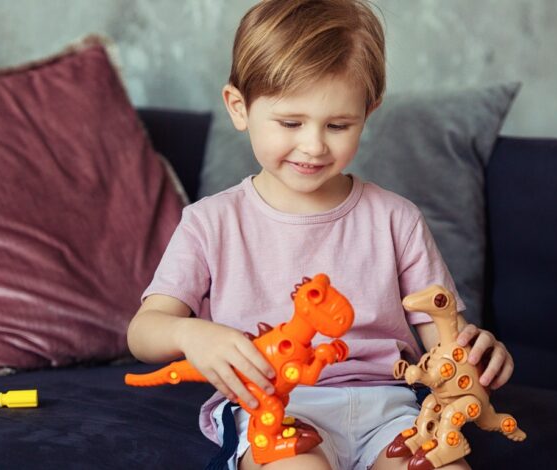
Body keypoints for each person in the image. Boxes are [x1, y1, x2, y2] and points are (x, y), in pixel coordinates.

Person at [127, 1, 514, 469]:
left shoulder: (398, 219)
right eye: (291, 123)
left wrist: (476, 353)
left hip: (391, 409)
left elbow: (443, 341)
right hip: (275, 407)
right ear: (239, 107)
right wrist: (192, 334)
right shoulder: (210, 222)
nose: (313, 145)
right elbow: (143, 331)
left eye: (338, 125)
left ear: (368, 112)